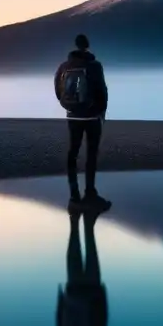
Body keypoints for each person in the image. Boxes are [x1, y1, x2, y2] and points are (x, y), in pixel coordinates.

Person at [54, 33, 110, 209]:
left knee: (73, 149)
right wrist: (101, 111)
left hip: (73, 114)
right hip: (92, 116)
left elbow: (58, 89)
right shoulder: (94, 66)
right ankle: (90, 192)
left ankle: (73, 195)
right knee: (91, 152)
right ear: (87, 46)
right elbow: (102, 90)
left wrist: (68, 106)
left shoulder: (64, 67)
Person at [56, 208, 109, 326]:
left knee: (81, 244)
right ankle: (81, 215)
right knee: (83, 243)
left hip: (82, 291)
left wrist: (61, 299)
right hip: (86, 291)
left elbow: (59, 322)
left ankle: (79, 215)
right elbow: (102, 322)